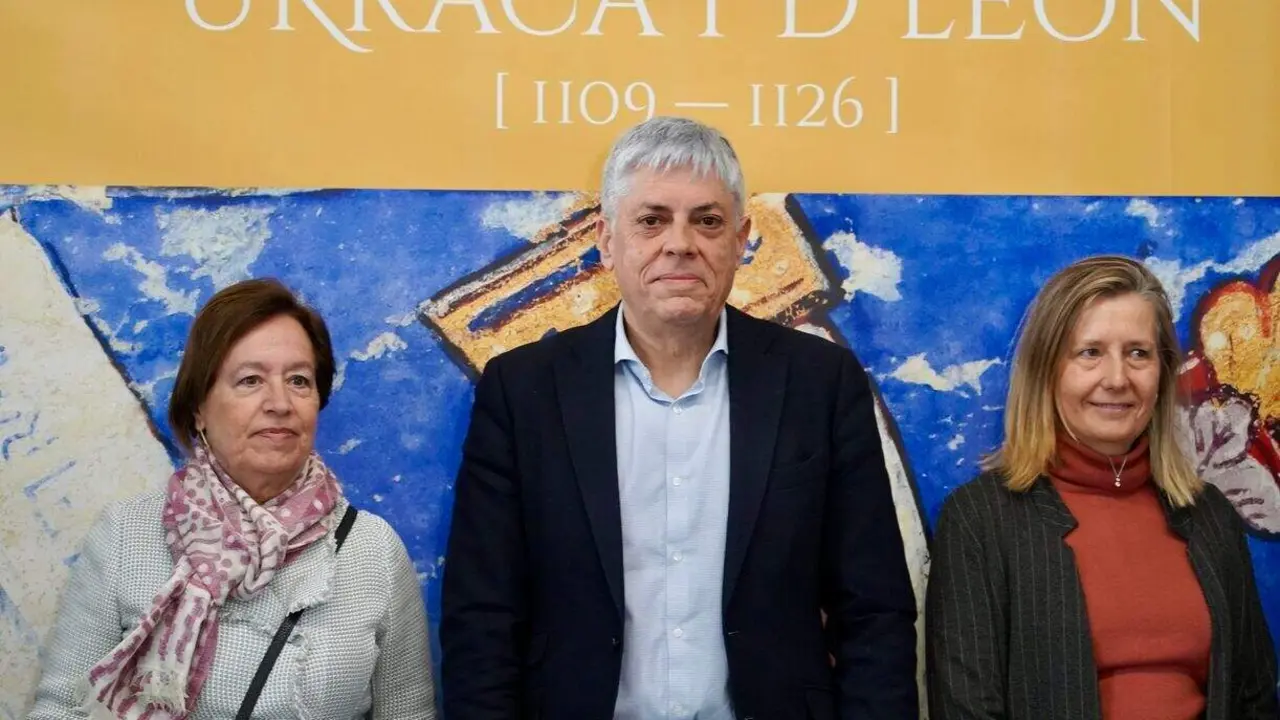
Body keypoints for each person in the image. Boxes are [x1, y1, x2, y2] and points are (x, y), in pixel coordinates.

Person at [440, 116, 919, 720]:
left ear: (741, 239)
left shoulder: (820, 383)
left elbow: (873, 610)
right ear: (606, 239)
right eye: (652, 219)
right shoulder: (524, 391)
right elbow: (482, 615)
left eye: (708, 220)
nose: (680, 243)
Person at [29, 279, 437, 720]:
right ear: (200, 407)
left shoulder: (371, 551)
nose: (279, 403)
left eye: (299, 380)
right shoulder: (126, 535)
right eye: (250, 380)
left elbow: (408, 713)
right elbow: (62, 709)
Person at [926, 255, 1278, 720]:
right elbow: (966, 709)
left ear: (1161, 372)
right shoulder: (980, 518)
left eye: (1138, 353)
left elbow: (1253, 697)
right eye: (1089, 352)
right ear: (1047, 370)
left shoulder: (1208, 512)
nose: (1117, 379)